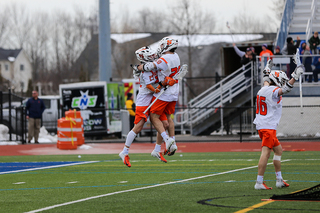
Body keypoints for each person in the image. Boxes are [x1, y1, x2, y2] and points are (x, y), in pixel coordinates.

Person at [253, 51, 304, 190]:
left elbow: (265, 78)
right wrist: (295, 75)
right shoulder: (273, 90)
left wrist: (267, 69)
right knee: (266, 153)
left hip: (263, 125)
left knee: (279, 150)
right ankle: (259, 182)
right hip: (268, 126)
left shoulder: (263, 89)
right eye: (281, 81)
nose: (282, 83)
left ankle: (279, 180)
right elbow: (286, 89)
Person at [119, 46, 169, 167]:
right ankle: (124, 151)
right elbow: (151, 88)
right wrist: (162, 85)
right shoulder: (144, 72)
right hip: (144, 101)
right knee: (138, 127)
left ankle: (157, 149)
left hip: (152, 99)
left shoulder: (151, 66)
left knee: (165, 124)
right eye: (150, 55)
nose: (153, 56)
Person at [137, 37, 180, 159]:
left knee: (153, 117)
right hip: (174, 92)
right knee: (168, 118)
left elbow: (150, 66)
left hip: (164, 92)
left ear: (166, 46)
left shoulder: (165, 58)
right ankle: (172, 142)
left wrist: (139, 67)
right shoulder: (176, 56)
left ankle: (167, 140)